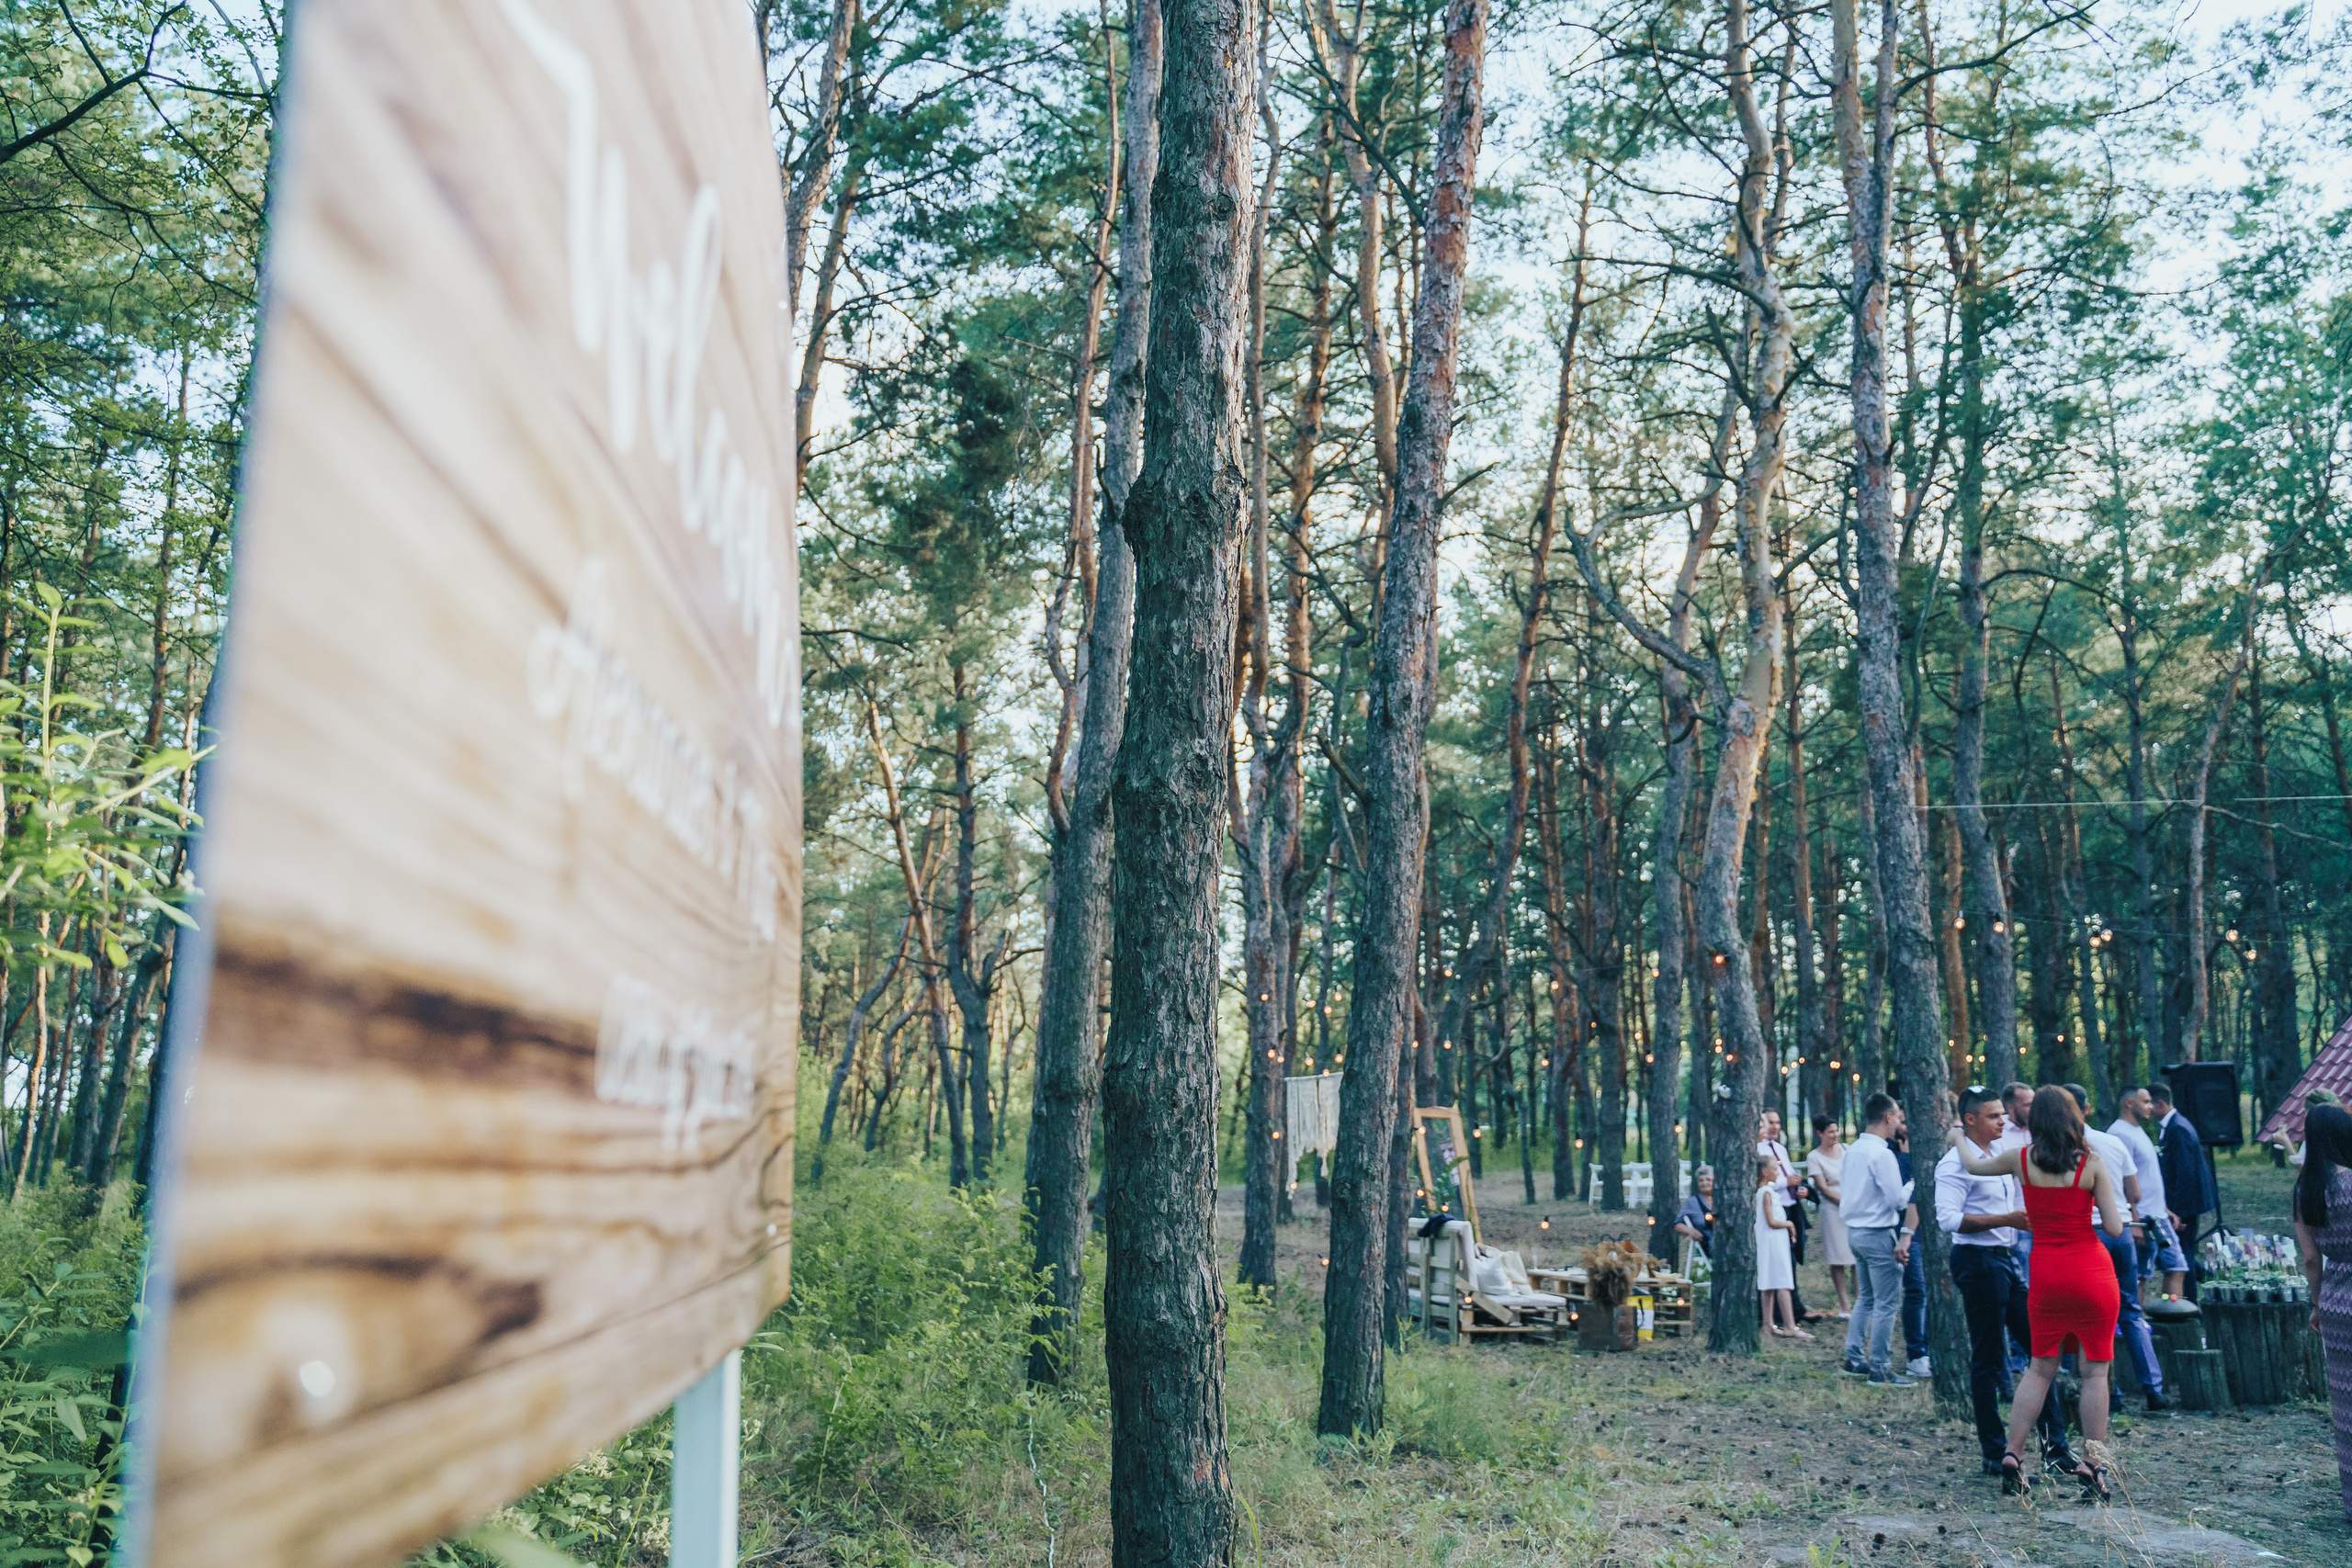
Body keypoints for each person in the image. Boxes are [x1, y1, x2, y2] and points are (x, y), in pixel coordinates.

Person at [1952, 1086, 2129, 1500]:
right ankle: (2093, 1463)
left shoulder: (2020, 1159)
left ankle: (2012, 1454)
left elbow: (1973, 1166)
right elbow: (2117, 1228)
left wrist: (1958, 1135)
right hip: (2090, 1271)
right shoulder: (2092, 1163)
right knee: (2094, 1373)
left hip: (2046, 1274)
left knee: (2039, 1369)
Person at [1937, 1086, 2070, 1476]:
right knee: (1988, 1358)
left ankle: (2055, 1447)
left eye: (2002, 1114)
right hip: (1977, 1261)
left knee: (2040, 1350)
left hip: (2006, 1260)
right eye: (1994, 1116)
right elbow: (1948, 1220)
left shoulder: (1997, 1155)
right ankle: (1995, 1452)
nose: (2003, 1120)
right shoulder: (1953, 1164)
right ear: (1971, 1119)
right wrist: (2006, 1220)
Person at [2069, 1085, 2170, 1413]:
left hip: (2087, 1235)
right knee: (2129, 1311)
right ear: (2086, 1108)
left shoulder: (2058, 1149)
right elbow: (2136, 1194)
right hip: (2122, 1233)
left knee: (2089, 1315)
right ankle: (2153, 1388)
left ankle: (2108, 1392)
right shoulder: (2113, 1142)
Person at [2290, 1102, 2352, 1526]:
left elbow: (2311, 1259)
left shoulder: (2304, 1190)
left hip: (2337, 1301)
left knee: (2346, 1405)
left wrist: (2316, 1304)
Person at [1840, 1092, 1919, 1386]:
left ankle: (1854, 1356)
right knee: (1887, 1303)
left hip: (1855, 1233)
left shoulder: (1854, 1150)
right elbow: (1896, 1199)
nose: (1900, 1122)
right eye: (1898, 1116)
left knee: (1867, 1298)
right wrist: (1916, 1179)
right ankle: (1880, 1366)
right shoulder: (1881, 1153)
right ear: (1887, 1117)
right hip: (1876, 1233)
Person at [2114, 1086, 2188, 1299]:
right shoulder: (2119, 1134)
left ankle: (2172, 1319)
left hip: (2156, 1214)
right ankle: (2136, 1322)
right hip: (2143, 1218)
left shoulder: (2138, 1130)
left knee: (2176, 1266)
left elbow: (2147, 1176)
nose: (2151, 1106)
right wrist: (2134, 1220)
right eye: (2145, 1102)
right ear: (2129, 1103)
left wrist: (2164, 1208)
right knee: (2140, 1275)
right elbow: (2121, 1181)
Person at [2149, 1082, 2219, 1292]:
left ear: (2160, 1103)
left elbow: (2186, 1173)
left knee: (2182, 1251)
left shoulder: (2178, 1129)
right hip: (2181, 1202)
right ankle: (2205, 1278)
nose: (2148, 1109)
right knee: (2179, 1251)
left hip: (2185, 1204)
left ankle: (2189, 1300)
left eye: (2149, 1104)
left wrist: (2177, 1212)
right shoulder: (2173, 1126)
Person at [1759, 1111, 1820, 1322]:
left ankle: (1794, 1307)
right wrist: (1787, 1183)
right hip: (1773, 1208)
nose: (1774, 1127)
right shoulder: (1758, 1151)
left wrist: (1801, 1188)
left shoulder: (1779, 1149)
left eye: (1777, 1122)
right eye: (1769, 1123)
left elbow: (1788, 1174)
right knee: (1778, 1260)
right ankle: (1780, 1312)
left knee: (1791, 1258)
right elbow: (1763, 1180)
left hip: (1790, 1204)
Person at [1891, 1120, 1931, 1378]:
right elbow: (1904, 1196)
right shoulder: (1893, 1155)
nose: (1906, 1126)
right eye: (1902, 1121)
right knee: (1916, 1288)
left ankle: (1929, 1348)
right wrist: (1906, 1158)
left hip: (1931, 1230)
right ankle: (1916, 1354)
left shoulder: (1930, 1149)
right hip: (1907, 1229)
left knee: (1927, 1290)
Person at [1755, 1156, 1809, 1338]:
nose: (1778, 1172)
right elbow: (1770, 1220)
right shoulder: (1765, 1193)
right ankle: (1790, 1325)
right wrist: (1789, 1224)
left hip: (1773, 1240)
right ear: (1764, 1171)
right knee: (1782, 1281)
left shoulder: (1767, 1191)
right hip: (1772, 1241)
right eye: (1774, 1169)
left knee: (1769, 1282)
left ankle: (1768, 1323)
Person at [1810, 1115, 1855, 1316]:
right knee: (1838, 1256)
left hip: (1853, 1206)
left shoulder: (1846, 1150)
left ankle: (1861, 1299)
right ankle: (1844, 1303)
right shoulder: (1815, 1157)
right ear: (1820, 1133)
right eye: (1830, 1131)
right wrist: (1842, 1202)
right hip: (1832, 1209)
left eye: (1836, 1130)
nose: (1835, 1134)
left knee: (1855, 1254)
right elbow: (1822, 1187)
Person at [1675, 1166, 1718, 1259]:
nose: (1704, 1183)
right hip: (1708, 1243)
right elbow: (1678, 1224)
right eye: (1700, 1180)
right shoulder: (1692, 1202)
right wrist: (1691, 1231)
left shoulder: (1723, 1199)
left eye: (1708, 1179)